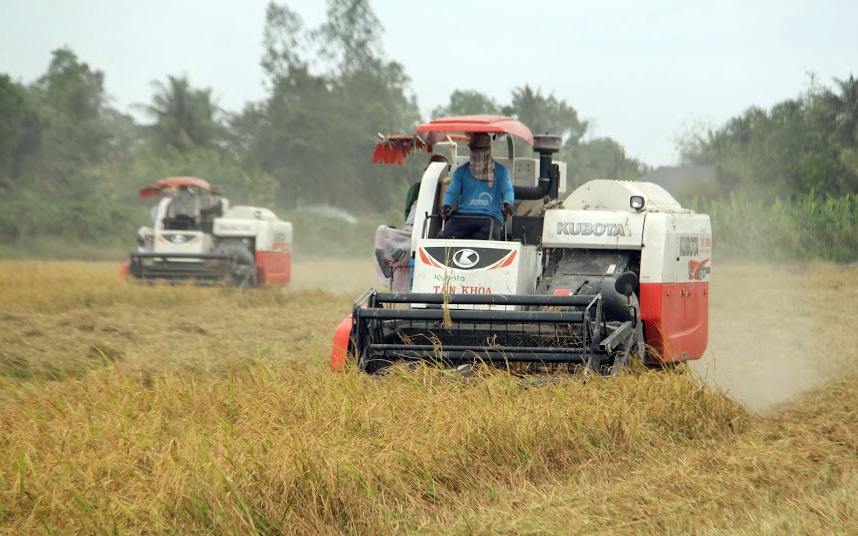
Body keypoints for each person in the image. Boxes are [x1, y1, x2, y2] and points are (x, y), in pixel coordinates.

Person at [437, 132, 514, 240]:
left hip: (491, 217)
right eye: (475, 149)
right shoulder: (461, 171)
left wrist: (508, 203)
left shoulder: (501, 171)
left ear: (488, 149)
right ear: (470, 149)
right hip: (464, 216)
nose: (478, 152)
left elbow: (508, 191)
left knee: (491, 237)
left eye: (481, 149)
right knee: (444, 235)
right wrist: (446, 205)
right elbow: (452, 192)